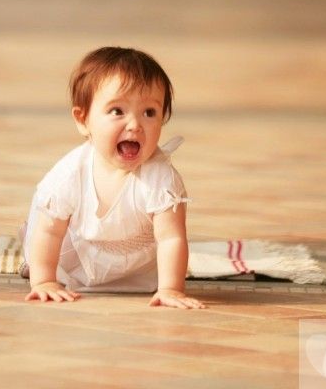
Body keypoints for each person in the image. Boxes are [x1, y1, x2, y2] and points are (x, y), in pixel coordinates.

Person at [21, 47, 205, 309]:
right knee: (44, 229)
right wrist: (43, 281)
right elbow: (49, 232)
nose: (134, 125)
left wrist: (171, 288)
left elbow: (171, 237)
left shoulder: (160, 179)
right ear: (83, 120)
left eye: (149, 113)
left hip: (138, 270)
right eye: (117, 111)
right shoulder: (71, 174)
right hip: (78, 259)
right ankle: (37, 268)